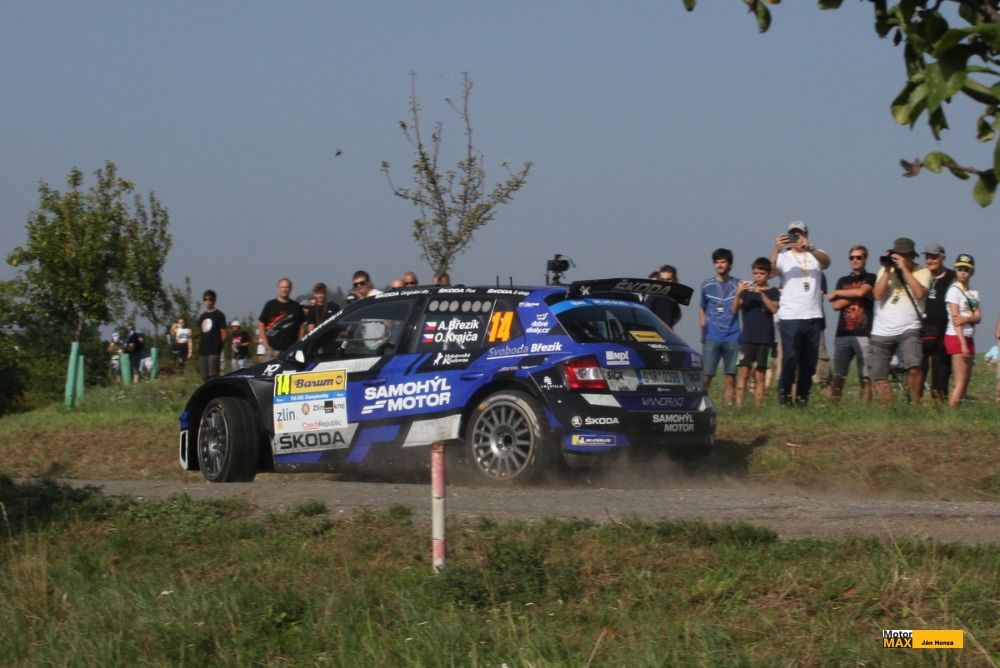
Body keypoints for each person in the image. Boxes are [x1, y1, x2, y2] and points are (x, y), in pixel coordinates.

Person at [769, 221, 831, 406]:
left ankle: (802, 400)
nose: (796, 238)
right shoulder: (783, 257)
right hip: (790, 318)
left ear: (806, 235)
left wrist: (809, 248)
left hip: (813, 317)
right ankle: (785, 399)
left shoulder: (815, 254)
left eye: (799, 234)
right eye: (792, 234)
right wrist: (776, 249)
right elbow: (769, 272)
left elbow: (827, 262)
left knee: (809, 363)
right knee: (790, 359)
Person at [868, 238, 931, 405]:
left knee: (914, 366)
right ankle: (891, 412)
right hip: (882, 330)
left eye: (903, 256)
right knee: (879, 376)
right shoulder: (885, 270)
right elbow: (877, 295)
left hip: (909, 328)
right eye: (897, 255)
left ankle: (914, 405)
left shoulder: (923, 271)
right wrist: (887, 270)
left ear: (911, 256)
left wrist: (904, 270)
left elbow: (920, 293)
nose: (898, 259)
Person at [828, 245, 877, 404]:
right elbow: (835, 305)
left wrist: (839, 293)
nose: (855, 260)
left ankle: (865, 410)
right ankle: (833, 408)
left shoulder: (871, 277)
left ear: (865, 259)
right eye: (852, 257)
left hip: (864, 334)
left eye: (859, 257)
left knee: (865, 376)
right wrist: (856, 294)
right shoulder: (842, 280)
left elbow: (862, 292)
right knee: (839, 376)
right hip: (843, 334)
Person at [732, 257, 780, 407]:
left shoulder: (773, 291)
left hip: (765, 339)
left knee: (760, 376)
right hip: (747, 339)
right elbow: (733, 310)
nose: (758, 276)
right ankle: (739, 407)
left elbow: (774, 309)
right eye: (755, 273)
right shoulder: (746, 291)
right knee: (744, 374)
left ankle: (757, 408)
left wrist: (761, 294)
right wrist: (738, 293)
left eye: (761, 273)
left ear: (768, 274)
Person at [699, 248, 741, 405]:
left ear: (729, 264)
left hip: (733, 337)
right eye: (716, 262)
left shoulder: (738, 284)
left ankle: (729, 408)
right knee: (707, 375)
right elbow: (701, 309)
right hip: (712, 337)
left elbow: (738, 307)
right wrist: (703, 331)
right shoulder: (706, 285)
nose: (719, 265)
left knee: (730, 377)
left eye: (723, 262)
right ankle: (700, 404)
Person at [917, 242, 956, 402]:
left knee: (941, 369)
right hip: (922, 328)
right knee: (918, 368)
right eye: (927, 257)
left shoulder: (952, 277)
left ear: (942, 258)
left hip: (944, 329)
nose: (929, 261)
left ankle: (939, 402)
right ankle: (913, 403)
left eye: (933, 257)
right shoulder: (921, 275)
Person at [944, 254, 981, 406]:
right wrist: (963, 344)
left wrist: (966, 319)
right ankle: (951, 412)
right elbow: (955, 319)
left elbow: (978, 316)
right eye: (960, 269)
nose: (963, 272)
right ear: (956, 270)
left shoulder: (973, 292)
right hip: (956, 336)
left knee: (965, 380)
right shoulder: (954, 290)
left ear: (971, 272)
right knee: (960, 380)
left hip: (969, 335)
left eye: (966, 269)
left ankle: (958, 407)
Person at [257, 277, 305, 358]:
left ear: (290, 289)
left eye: (287, 287)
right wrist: (265, 344)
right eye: (282, 287)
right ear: (278, 289)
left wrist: (299, 343)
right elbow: (261, 324)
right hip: (272, 349)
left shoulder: (296, 307)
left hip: (291, 349)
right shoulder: (270, 305)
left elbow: (302, 326)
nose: (284, 289)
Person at [197, 290, 227, 381]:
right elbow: (201, 332)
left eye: (210, 299)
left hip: (214, 350)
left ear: (214, 300)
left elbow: (223, 333)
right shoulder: (202, 316)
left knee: (213, 376)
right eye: (205, 299)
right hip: (203, 350)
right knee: (204, 376)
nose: (208, 301)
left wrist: (220, 348)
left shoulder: (219, 315)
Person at [644, 264, 682, 329]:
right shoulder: (654, 296)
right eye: (662, 280)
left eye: (668, 280)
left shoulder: (673, 298)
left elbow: (677, 316)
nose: (665, 282)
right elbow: (645, 315)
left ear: (675, 280)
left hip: (667, 333)